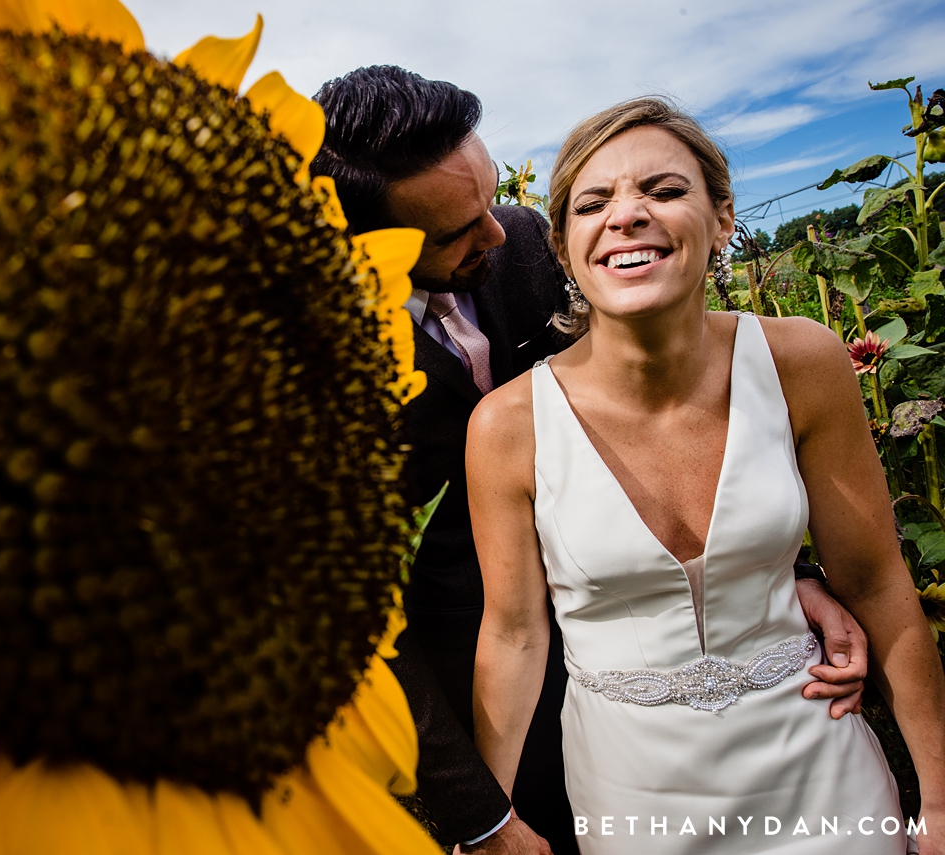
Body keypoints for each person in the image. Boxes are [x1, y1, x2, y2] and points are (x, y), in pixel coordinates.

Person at [311, 68, 873, 854]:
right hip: (490, 647)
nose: (500, 234)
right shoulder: (318, 378)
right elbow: (351, 611)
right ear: (365, 247)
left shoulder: (525, 251)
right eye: (456, 234)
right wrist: (481, 814)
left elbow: (675, 422)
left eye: (490, 198)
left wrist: (778, 575)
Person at [468, 96, 945, 854]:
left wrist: (940, 804)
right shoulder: (506, 425)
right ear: (563, 247)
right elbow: (516, 634)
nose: (626, 215)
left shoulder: (804, 363)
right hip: (630, 801)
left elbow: (878, 583)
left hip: (822, 775)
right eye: (593, 203)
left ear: (722, 219)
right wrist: (489, 825)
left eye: (663, 190)